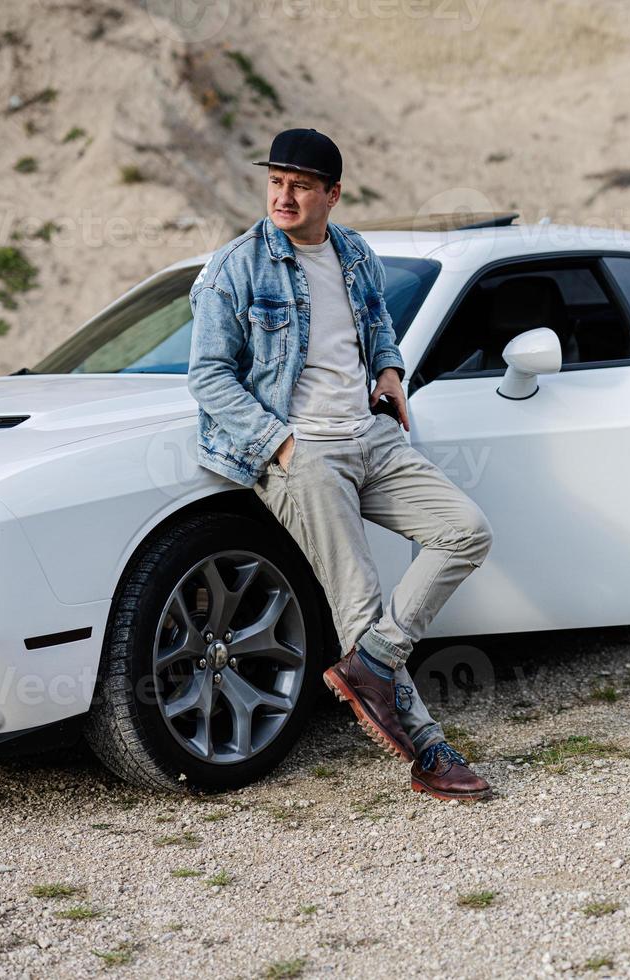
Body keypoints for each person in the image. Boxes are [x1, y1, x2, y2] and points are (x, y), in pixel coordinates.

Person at [186, 128, 493, 801]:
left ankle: (375, 662)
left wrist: (388, 370)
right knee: (359, 601)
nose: (284, 196)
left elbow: (376, 320)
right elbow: (208, 376)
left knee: (465, 530)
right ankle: (430, 750)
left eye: (300, 185)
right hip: (302, 450)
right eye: (276, 182)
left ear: (332, 193)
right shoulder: (236, 266)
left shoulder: (352, 250)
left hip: (370, 435)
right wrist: (280, 444)